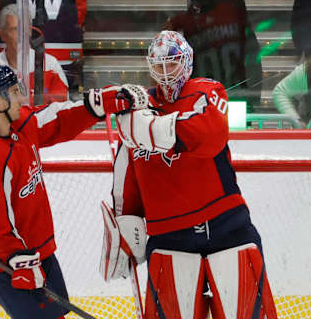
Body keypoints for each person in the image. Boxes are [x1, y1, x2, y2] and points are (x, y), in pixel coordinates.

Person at [100, 30, 277, 318]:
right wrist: (126, 222)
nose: (165, 72)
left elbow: (210, 135)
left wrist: (155, 130)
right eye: (159, 66)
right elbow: (126, 174)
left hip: (226, 228)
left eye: (172, 63)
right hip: (169, 236)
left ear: (187, 62)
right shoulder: (136, 108)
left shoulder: (207, 90)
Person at [0, 64, 144, 318]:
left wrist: (98, 104)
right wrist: (17, 258)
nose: (21, 97)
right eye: (14, 92)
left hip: (38, 252)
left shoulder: (21, 124)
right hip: (4, 262)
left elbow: (59, 120)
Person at [164, 0, 263, 112]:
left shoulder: (232, 11)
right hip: (207, 96)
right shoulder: (189, 20)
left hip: (229, 95)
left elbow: (251, 53)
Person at [0, 4, 69, 107]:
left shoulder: (50, 65)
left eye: (25, 29)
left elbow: (62, 110)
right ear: (2, 35)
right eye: (15, 29)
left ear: (30, 31)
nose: (21, 35)